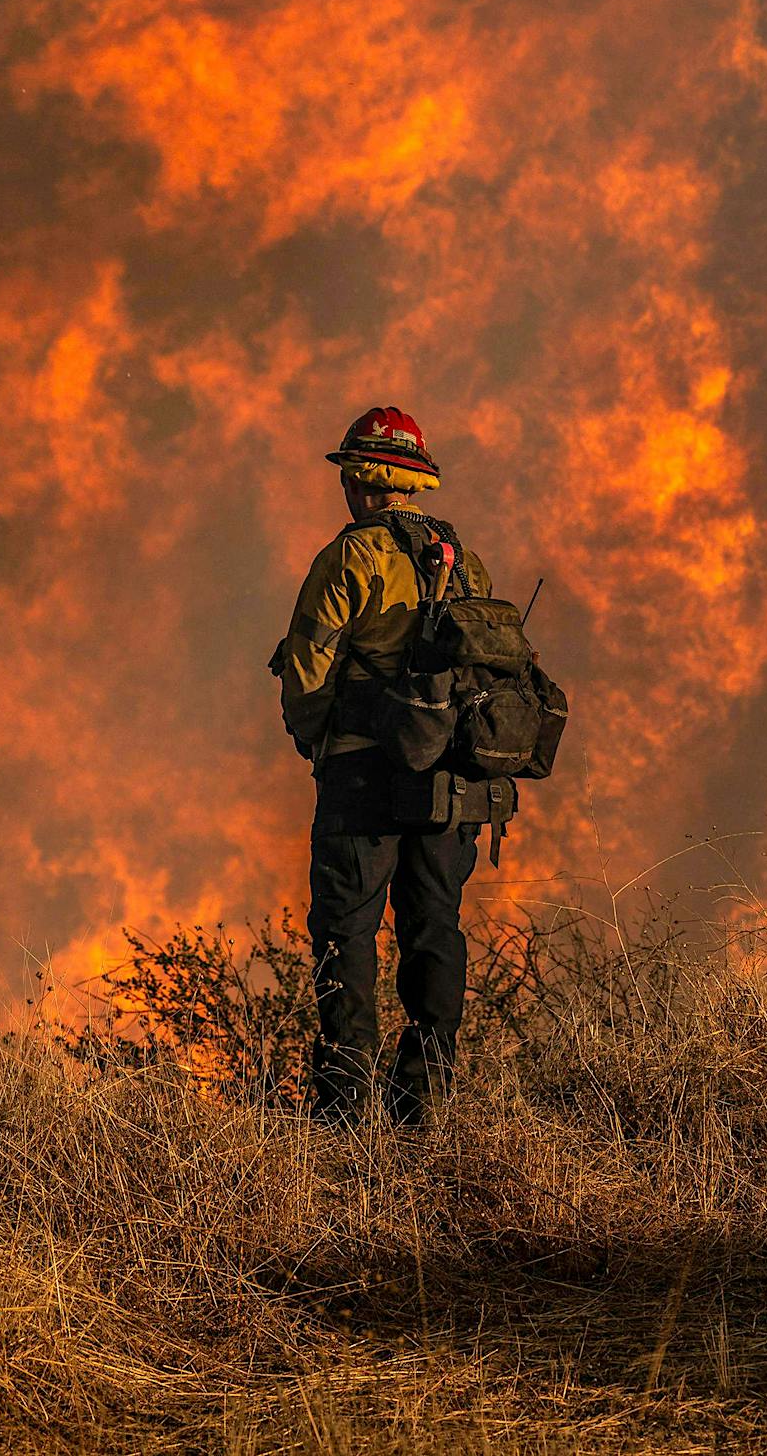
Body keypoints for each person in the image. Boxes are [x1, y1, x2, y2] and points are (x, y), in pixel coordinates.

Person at [273, 406, 493, 1124]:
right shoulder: (462, 558)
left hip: (361, 782)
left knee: (347, 933)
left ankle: (345, 1111)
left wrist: (318, 742)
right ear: (411, 481)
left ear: (362, 481)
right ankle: (424, 1101)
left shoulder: (348, 558)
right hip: (448, 788)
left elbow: (307, 672)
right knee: (435, 928)